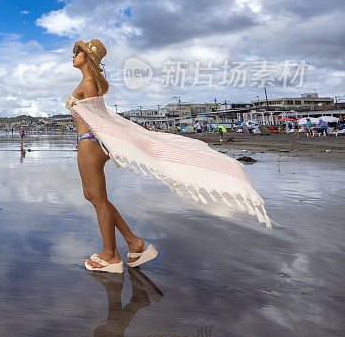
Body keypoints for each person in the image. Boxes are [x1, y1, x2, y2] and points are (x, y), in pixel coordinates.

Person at [66, 39, 270, 275]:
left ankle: (110, 255)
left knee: (98, 199)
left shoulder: (88, 83)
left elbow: (97, 121)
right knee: (94, 196)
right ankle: (133, 242)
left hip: (89, 144)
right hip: (90, 145)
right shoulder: (87, 82)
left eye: (76, 52)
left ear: (87, 57)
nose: (73, 56)